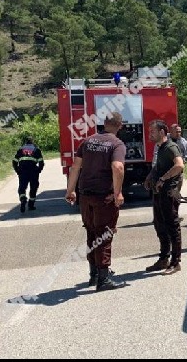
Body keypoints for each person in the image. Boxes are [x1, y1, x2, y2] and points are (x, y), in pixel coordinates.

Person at [65, 112, 127, 291]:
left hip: (85, 195)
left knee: (91, 233)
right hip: (103, 196)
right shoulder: (117, 144)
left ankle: (93, 275)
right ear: (120, 125)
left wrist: (70, 191)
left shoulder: (88, 141)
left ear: (104, 123)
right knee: (105, 235)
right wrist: (118, 193)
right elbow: (118, 167)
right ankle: (104, 279)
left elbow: (75, 166)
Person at [143, 120, 185, 275]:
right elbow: (158, 165)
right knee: (159, 225)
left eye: (152, 131)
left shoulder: (171, 147)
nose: (149, 134)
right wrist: (150, 176)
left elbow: (179, 165)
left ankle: (175, 262)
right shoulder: (160, 147)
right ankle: (163, 259)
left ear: (162, 132)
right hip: (158, 193)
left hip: (169, 192)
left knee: (172, 226)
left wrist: (163, 179)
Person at [13, 136, 44, 213]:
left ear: (25, 142)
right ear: (32, 142)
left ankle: (23, 199)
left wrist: (17, 170)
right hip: (33, 171)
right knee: (33, 188)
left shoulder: (20, 150)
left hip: (23, 171)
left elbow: (14, 161)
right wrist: (39, 170)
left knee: (22, 187)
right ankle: (31, 204)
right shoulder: (36, 150)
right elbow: (41, 162)